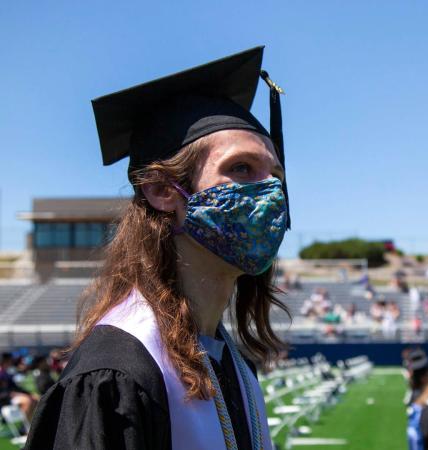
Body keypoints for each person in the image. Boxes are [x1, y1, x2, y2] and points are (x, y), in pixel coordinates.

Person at [24, 46, 290, 450]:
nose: (269, 192)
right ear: (163, 190)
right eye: (241, 169)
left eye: (274, 174)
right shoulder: (118, 372)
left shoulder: (229, 361)